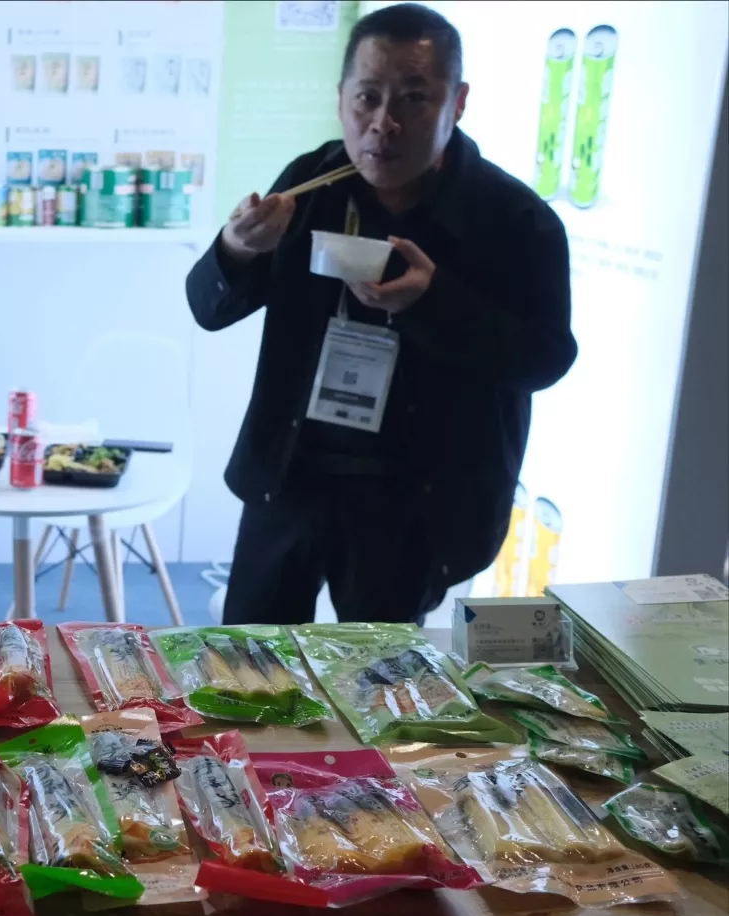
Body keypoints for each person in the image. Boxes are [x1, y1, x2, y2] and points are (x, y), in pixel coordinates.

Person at [186, 3, 576, 625]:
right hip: (290, 479)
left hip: (413, 499)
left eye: (415, 99)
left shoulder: (513, 219)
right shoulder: (310, 184)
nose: (383, 124)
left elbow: (546, 358)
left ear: (459, 101)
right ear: (341, 97)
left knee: (383, 694)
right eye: (366, 97)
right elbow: (207, 307)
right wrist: (236, 250)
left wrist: (433, 299)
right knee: (248, 666)